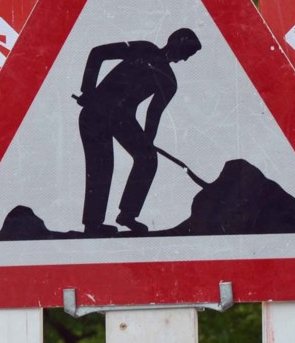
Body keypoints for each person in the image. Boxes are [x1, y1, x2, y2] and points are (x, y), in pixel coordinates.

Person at [75, 28, 202, 235]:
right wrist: (88, 90)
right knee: (101, 165)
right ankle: (93, 224)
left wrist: (147, 141)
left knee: (148, 158)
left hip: (122, 120)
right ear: (177, 42)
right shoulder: (144, 48)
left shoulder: (169, 81)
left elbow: (154, 115)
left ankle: (127, 215)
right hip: (97, 110)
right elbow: (98, 53)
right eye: (188, 52)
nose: (186, 59)